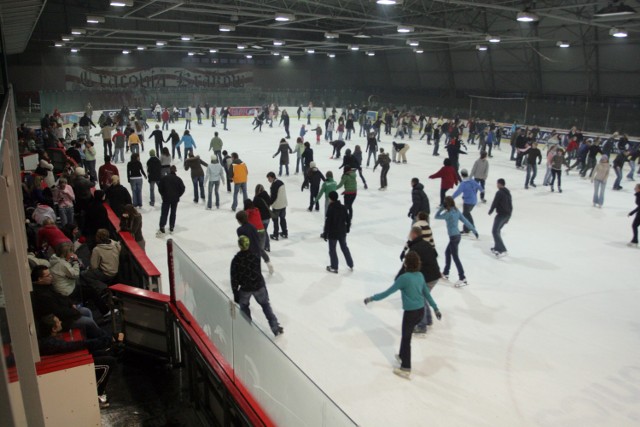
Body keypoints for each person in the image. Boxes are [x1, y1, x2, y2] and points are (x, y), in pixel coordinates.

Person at [364, 251, 441, 379]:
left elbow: (387, 293)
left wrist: (372, 298)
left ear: (406, 264)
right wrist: (436, 309)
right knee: (406, 334)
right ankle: (401, 356)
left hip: (411, 313)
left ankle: (406, 367)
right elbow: (427, 294)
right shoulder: (420, 275)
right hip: (420, 311)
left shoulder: (404, 278)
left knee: (406, 338)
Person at [37, 314, 115, 409]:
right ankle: (96, 395)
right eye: (58, 322)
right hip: (65, 369)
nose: (61, 322)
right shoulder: (50, 344)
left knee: (102, 354)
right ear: (53, 328)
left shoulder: (48, 340)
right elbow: (75, 346)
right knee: (108, 362)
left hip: (64, 363)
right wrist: (103, 341)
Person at [30, 265, 105, 340]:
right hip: (60, 321)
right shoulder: (42, 295)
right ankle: (102, 338)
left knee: (86, 311)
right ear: (40, 279)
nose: (51, 277)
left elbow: (61, 296)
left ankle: (91, 335)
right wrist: (75, 312)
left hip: (65, 312)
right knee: (88, 322)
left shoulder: (47, 286)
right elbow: (58, 312)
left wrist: (71, 303)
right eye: (48, 275)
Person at [230, 236, 283, 336]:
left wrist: (235, 293)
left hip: (245, 288)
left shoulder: (236, 260)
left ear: (239, 245)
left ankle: (247, 328)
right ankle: (275, 327)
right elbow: (257, 271)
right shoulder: (255, 256)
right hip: (258, 286)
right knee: (265, 305)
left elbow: (234, 278)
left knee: (244, 307)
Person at [398, 226, 440, 335]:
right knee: (424, 297)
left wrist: (399, 278)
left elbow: (406, 265)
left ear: (414, 234)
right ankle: (428, 319)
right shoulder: (426, 243)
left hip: (429, 276)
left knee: (421, 299)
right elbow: (435, 254)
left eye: (410, 233)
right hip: (435, 274)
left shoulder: (415, 248)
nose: (409, 235)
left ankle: (422, 325)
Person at [435, 196, 477, 287]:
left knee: (455, 257)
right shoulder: (456, 211)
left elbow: (436, 216)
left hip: (453, 237)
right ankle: (446, 273)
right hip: (457, 236)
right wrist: (474, 230)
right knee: (447, 252)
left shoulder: (448, 214)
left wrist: (441, 208)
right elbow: (466, 221)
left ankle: (462, 277)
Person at [324, 191, 354, 273]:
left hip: (333, 233)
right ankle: (350, 264)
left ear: (331, 198)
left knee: (332, 249)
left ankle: (334, 267)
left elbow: (328, 222)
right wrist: (347, 228)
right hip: (342, 232)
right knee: (344, 247)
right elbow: (348, 219)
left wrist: (325, 233)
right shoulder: (343, 207)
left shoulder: (331, 208)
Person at [157, 165, 186, 236]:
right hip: (175, 199)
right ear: (175, 171)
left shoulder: (164, 178)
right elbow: (182, 188)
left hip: (166, 198)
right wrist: (178, 195)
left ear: (169, 171)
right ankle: (171, 227)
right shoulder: (178, 179)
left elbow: (160, 188)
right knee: (173, 213)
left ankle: (162, 226)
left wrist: (163, 194)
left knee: (164, 213)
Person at [451, 169, 482, 233]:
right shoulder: (472, 181)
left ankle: (470, 227)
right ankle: (467, 229)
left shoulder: (463, 184)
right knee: (466, 214)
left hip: (467, 202)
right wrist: (482, 190)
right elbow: (479, 187)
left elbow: (458, 192)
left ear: (461, 175)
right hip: (474, 201)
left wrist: (452, 198)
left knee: (465, 214)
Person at [488, 179, 513, 258]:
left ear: (499, 184)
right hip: (507, 214)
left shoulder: (499, 193)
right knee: (497, 231)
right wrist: (509, 217)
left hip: (501, 214)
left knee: (495, 231)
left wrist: (491, 210)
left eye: (497, 183)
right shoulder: (508, 193)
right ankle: (497, 247)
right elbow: (511, 206)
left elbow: (495, 202)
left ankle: (502, 249)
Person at [267, 172, 288, 240]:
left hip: (277, 206)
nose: (268, 180)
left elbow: (274, 196)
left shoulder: (274, 185)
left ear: (272, 177)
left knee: (275, 220)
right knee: (283, 219)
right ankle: (285, 233)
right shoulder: (281, 182)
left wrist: (269, 203)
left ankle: (275, 235)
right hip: (283, 204)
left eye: (269, 178)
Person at [253, 184, 273, 252]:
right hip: (267, 218)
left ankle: (264, 245)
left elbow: (253, 208)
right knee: (264, 231)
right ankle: (266, 245)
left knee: (262, 232)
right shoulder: (267, 196)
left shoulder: (256, 198)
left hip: (261, 218)